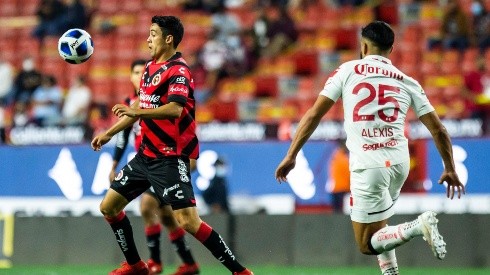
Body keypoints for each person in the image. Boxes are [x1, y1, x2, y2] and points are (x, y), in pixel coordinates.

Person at [275, 21, 465, 275]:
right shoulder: (408, 81)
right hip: (399, 164)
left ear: (363, 45)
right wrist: (450, 167)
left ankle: (419, 227)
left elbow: (312, 116)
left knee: (366, 243)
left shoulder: (348, 71)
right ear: (392, 48)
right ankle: (391, 273)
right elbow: (439, 129)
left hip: (368, 166)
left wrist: (291, 154)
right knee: (381, 227)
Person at [91, 15, 253, 275]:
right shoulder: (150, 67)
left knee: (188, 222)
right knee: (108, 207)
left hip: (171, 157)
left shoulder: (179, 71)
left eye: (153, 34)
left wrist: (136, 115)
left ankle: (240, 271)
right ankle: (136, 265)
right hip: (145, 157)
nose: (147, 39)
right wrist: (110, 132)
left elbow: (174, 110)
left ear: (168, 39)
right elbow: (140, 105)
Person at [109, 59, 200, 275]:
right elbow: (123, 137)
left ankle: (155, 263)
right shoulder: (129, 103)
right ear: (130, 76)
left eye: (143, 72)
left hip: (166, 161)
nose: (140, 76)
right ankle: (189, 264)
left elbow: (181, 122)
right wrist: (114, 163)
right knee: (168, 217)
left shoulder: (158, 100)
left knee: (147, 206)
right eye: (135, 72)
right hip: (147, 162)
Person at [325, 139, 350, 213]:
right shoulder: (343, 159)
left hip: (335, 187)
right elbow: (348, 174)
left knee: (336, 210)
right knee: (341, 211)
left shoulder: (335, 156)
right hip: (342, 187)